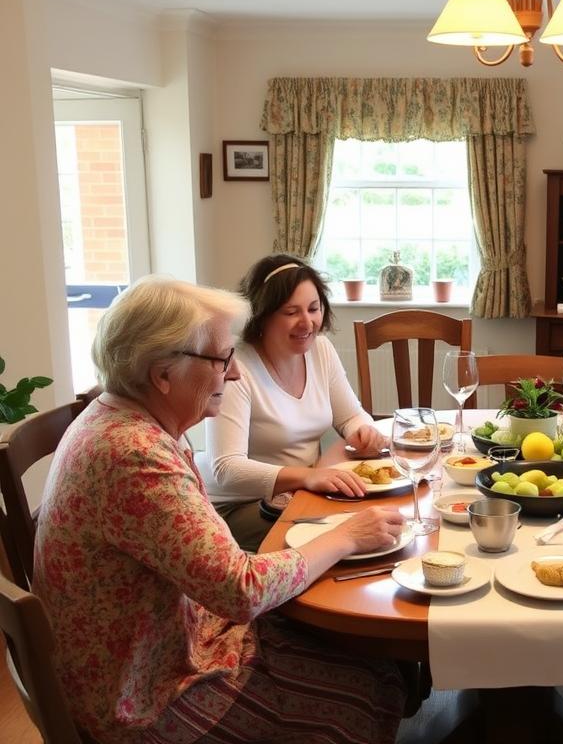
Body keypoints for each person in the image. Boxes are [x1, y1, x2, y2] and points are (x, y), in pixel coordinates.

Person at [33, 276, 407, 744]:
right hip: (142, 697)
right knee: (362, 691)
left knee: (373, 659)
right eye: (222, 359)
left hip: (168, 643)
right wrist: (348, 535)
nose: (233, 373)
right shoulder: (133, 455)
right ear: (162, 373)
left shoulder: (129, 419)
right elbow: (242, 590)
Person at [200, 254, 386, 552]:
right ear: (261, 316)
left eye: (314, 309)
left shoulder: (320, 350)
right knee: (351, 532)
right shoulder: (237, 366)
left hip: (300, 490)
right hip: (236, 507)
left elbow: (350, 415)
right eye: (291, 312)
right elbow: (227, 468)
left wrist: (363, 430)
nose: (308, 323)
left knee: (374, 521)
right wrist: (310, 477)